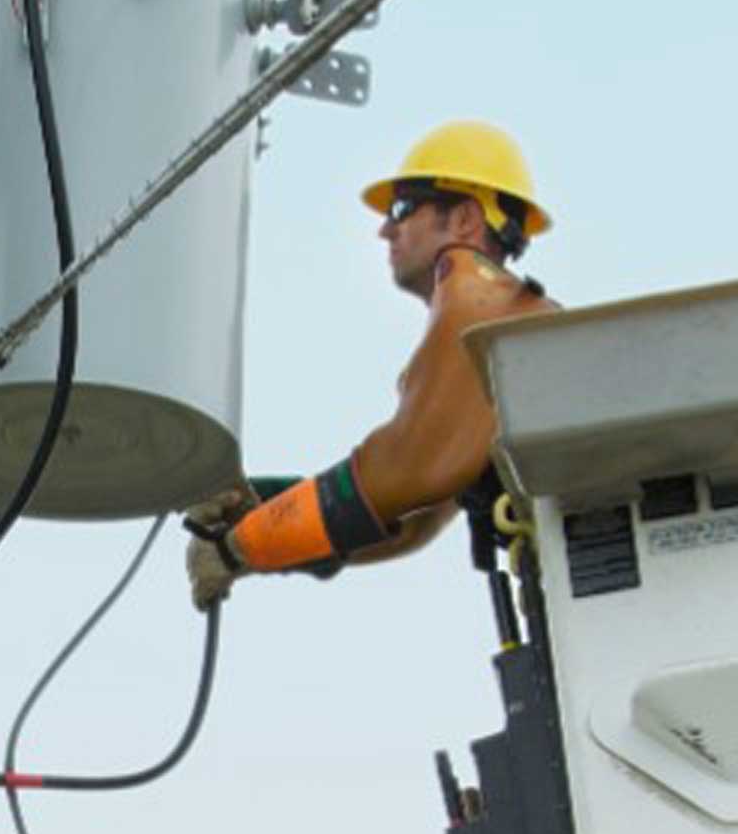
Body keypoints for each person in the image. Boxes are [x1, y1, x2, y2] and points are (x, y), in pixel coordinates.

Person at [185, 119, 556, 609]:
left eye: (403, 207)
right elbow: (405, 521)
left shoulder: (480, 305)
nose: (385, 229)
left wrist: (243, 546)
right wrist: (264, 512)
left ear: (466, 218)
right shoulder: (497, 323)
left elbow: (404, 470)